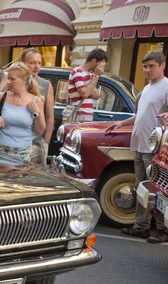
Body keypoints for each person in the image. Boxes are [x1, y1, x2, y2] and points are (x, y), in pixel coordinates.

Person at [106, 52, 168, 242]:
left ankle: (162, 229)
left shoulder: (166, 86)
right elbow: (140, 116)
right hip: (140, 146)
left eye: (151, 66)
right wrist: (122, 123)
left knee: (157, 191)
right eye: (145, 67)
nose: (147, 70)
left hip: (156, 150)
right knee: (142, 188)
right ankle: (141, 226)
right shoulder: (147, 88)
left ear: (162, 65)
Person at [0, 63, 45, 161]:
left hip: (23, 153)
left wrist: (36, 113)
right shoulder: (2, 97)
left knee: (18, 176)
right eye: (8, 78)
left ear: (24, 79)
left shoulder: (35, 101)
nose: (9, 82)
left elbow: (40, 130)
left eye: (12, 79)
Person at [20, 48, 55, 167]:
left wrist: (46, 141)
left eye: (39, 63)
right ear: (22, 63)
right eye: (32, 63)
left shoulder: (45, 85)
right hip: (16, 139)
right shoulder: (14, 83)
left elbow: (50, 116)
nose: (36, 66)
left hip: (37, 142)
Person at [66, 48, 107, 123]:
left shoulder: (89, 74)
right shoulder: (77, 72)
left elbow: (97, 95)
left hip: (88, 113)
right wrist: (96, 76)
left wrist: (89, 89)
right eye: (100, 65)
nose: (101, 69)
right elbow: (85, 94)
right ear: (94, 61)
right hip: (79, 112)